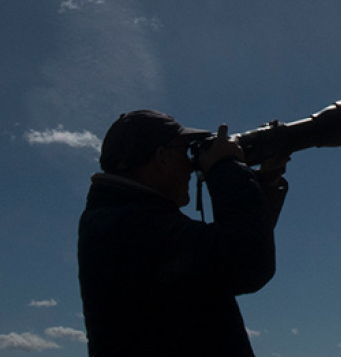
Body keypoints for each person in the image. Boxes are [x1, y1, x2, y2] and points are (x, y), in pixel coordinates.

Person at [78, 110, 288, 356]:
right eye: (184, 151)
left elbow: (229, 251)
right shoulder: (130, 225)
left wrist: (265, 180)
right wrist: (226, 167)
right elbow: (246, 259)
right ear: (162, 157)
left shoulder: (122, 219)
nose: (191, 165)